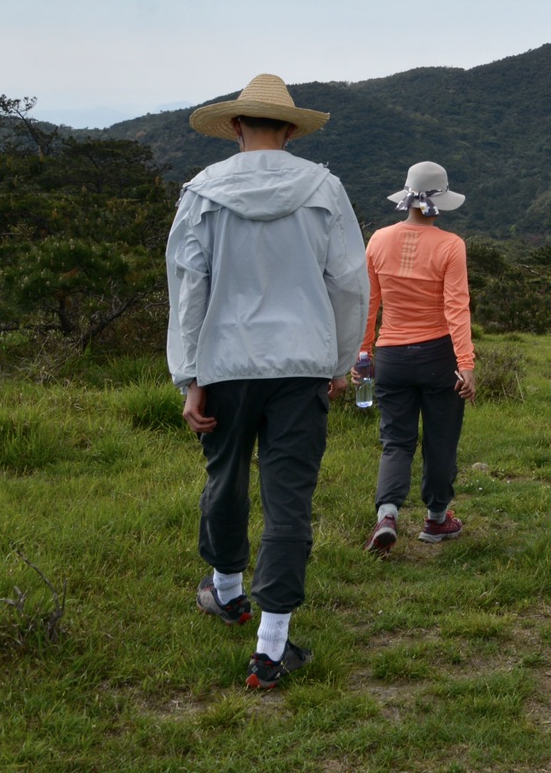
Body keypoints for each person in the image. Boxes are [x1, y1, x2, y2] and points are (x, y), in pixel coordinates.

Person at [166, 74, 368, 690]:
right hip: (301, 362)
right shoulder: (324, 188)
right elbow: (350, 283)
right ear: (289, 130)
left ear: (234, 127)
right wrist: (338, 361)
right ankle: (271, 647)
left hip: (224, 363)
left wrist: (189, 377)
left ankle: (227, 592)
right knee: (289, 498)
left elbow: (188, 287)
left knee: (224, 475)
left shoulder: (201, 192)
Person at [361, 161, 477, 555]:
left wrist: (363, 352)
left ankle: (388, 514)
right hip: (438, 355)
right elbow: (456, 309)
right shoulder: (450, 245)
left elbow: (369, 305)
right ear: (440, 202)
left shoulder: (377, 240)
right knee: (441, 439)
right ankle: (437, 519)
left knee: (396, 441)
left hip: (390, 355)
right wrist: (466, 365)